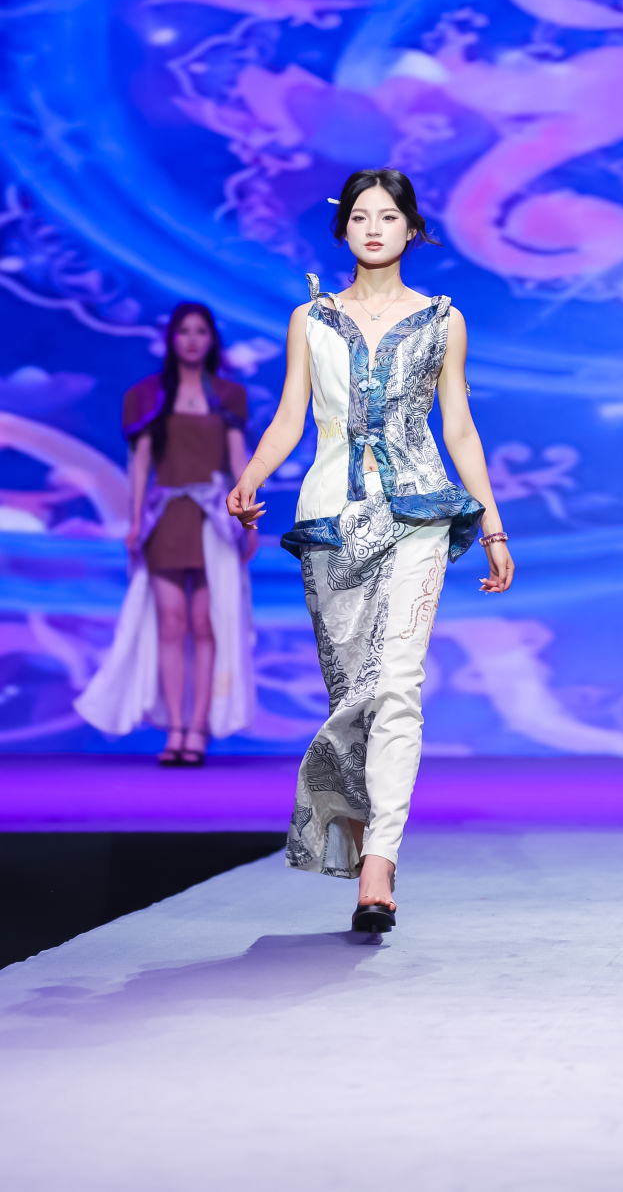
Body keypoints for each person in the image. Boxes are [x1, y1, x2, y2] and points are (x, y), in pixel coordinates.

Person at [228, 168, 514, 934]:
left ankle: (380, 862)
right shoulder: (311, 319)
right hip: (330, 517)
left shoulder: (443, 320)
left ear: (411, 229)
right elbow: (290, 416)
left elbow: (459, 429)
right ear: (343, 229)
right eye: (361, 216)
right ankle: (354, 831)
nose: (375, 228)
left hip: (419, 513)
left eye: (389, 216)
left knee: (398, 686)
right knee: (352, 692)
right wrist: (251, 477)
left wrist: (491, 526)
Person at [76, 303, 256, 763]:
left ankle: (199, 728)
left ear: (211, 340)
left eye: (200, 332)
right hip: (167, 519)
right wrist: (135, 521)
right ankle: (175, 727)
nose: (192, 340)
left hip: (214, 521)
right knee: (171, 623)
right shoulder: (146, 395)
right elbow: (139, 464)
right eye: (184, 331)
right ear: (171, 339)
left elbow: (239, 461)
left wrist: (248, 519)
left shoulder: (229, 395)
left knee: (206, 623)